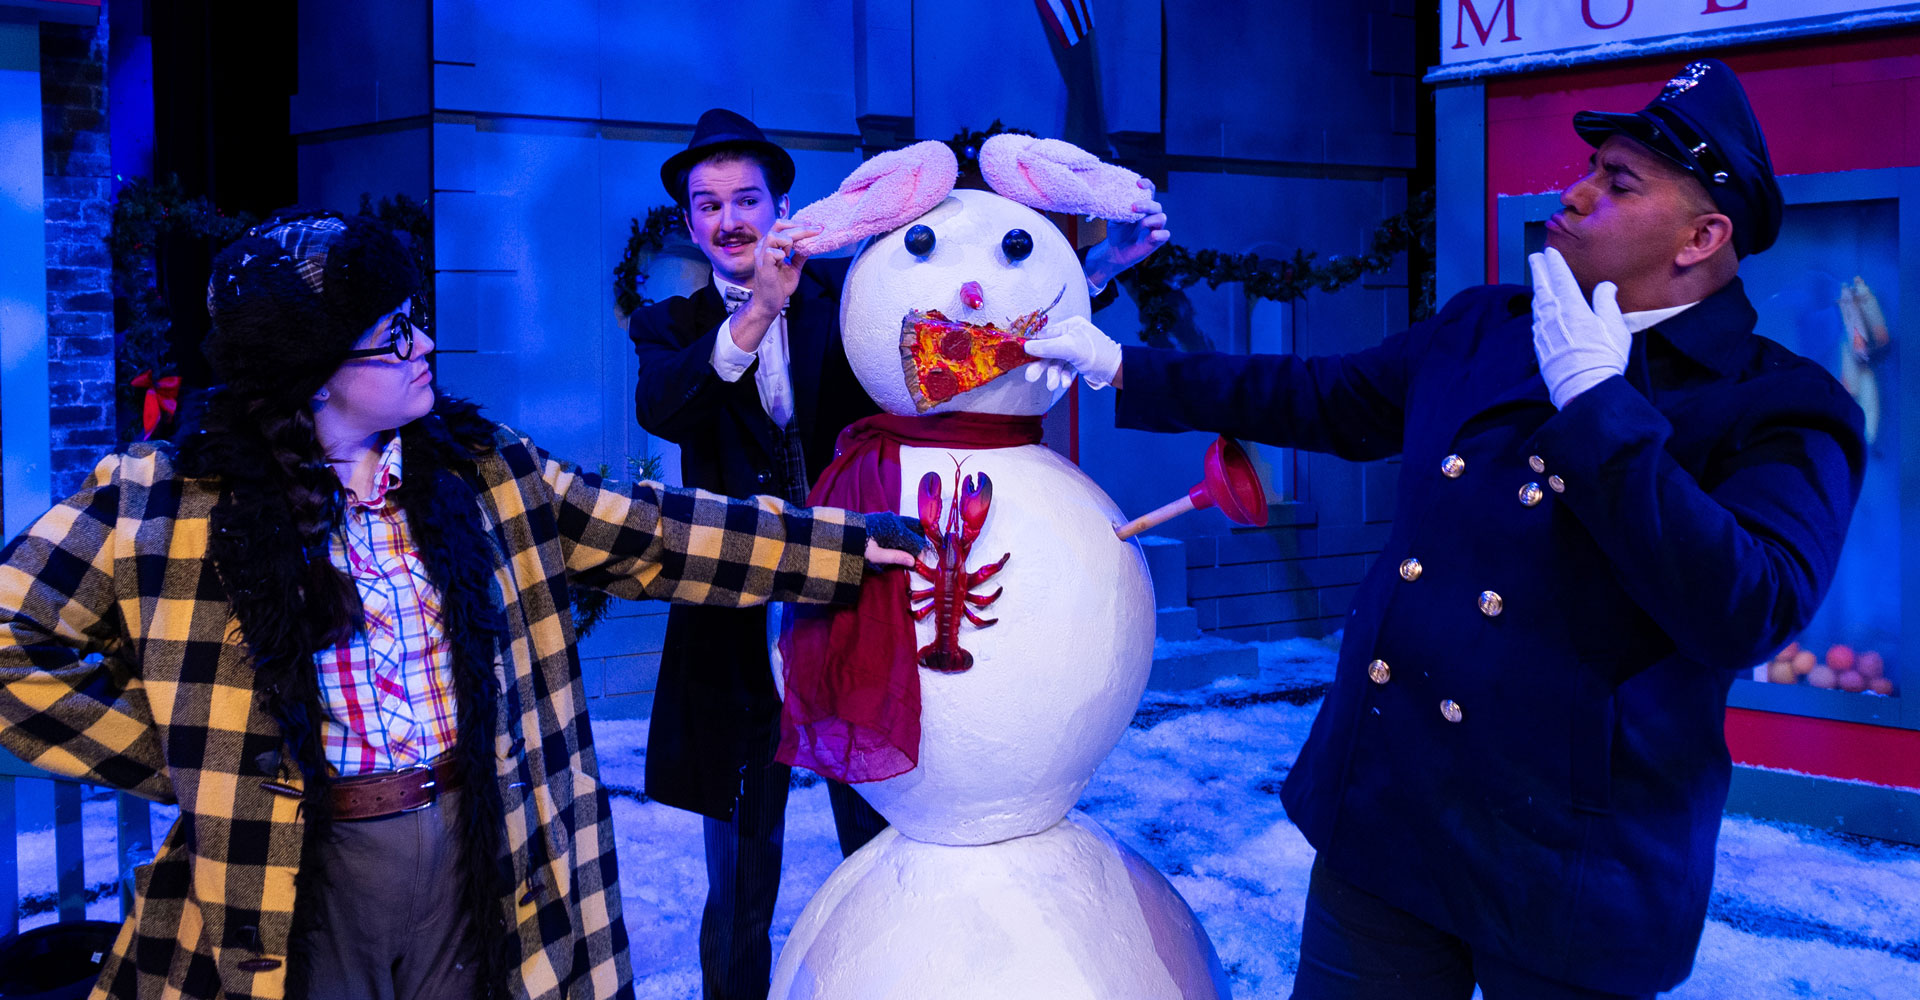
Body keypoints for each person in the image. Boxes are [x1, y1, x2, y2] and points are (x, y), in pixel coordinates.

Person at [1026, 60, 1865, 999]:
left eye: (1619, 182)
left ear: (1703, 236)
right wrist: (1118, 366)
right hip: (1392, 817)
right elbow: (1321, 397)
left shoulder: (1780, 404)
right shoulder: (1484, 328)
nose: (1575, 191)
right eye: (1589, 165)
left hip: (1574, 869)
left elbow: (1746, 607)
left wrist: (1597, 407)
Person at [0, 209, 926, 1000]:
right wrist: (194, 749)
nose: (426, 345)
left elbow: (652, 530)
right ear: (313, 369)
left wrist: (845, 547)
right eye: (395, 332)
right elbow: (12, 639)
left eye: (419, 320)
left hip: (478, 841)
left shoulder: (481, 470)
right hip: (298, 869)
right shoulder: (170, 497)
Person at [628, 108, 1169, 1000]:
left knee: (882, 840)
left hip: (855, 605)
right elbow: (665, 406)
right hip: (732, 627)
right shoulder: (669, 324)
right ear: (690, 221)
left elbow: (970, 345)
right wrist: (760, 306)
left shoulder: (850, 299)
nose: (730, 221)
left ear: (786, 206)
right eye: (708, 204)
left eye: (748, 199)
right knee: (739, 885)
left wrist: (1099, 272)